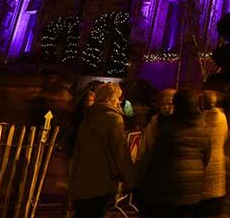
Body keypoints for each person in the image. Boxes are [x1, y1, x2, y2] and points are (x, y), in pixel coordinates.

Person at [140, 89, 212, 218]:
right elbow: (206, 157)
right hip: (193, 190)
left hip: (169, 188)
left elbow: (157, 158)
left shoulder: (170, 126)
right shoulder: (203, 127)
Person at [67, 82, 136, 218]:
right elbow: (120, 151)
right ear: (109, 99)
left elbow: (77, 153)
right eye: (117, 98)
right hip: (103, 180)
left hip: (83, 180)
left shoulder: (86, 121)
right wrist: (130, 180)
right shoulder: (114, 119)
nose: (119, 101)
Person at [198, 91, 228, 217]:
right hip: (218, 165)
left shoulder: (199, 120)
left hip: (203, 167)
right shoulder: (222, 118)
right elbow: (225, 136)